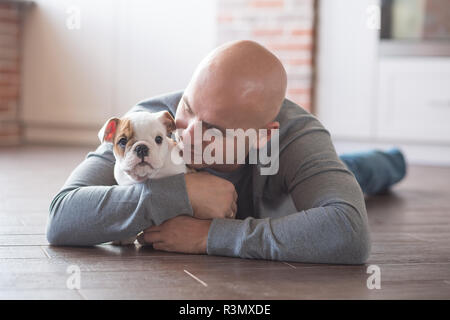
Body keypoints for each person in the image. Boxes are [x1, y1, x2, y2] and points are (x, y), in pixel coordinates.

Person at [46, 40, 406, 264]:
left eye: (214, 131)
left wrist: (210, 237)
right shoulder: (151, 123)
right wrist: (178, 193)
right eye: (187, 109)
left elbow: (349, 232)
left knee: (358, 172)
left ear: (262, 137)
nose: (187, 137)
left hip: (297, 192)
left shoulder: (299, 134)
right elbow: (63, 216)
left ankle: (392, 158)